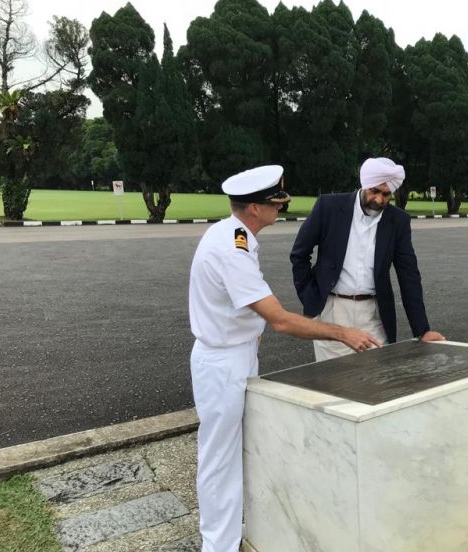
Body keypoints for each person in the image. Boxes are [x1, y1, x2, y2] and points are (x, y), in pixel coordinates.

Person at [188, 165, 380, 552]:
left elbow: (241, 308)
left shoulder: (236, 235)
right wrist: (343, 332)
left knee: (233, 453)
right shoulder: (232, 248)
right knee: (219, 459)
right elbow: (280, 320)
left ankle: (230, 535)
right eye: (276, 203)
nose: (282, 208)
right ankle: (217, 546)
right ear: (255, 209)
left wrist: (249, 334)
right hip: (222, 364)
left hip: (234, 354)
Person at [290, 157, 445, 361]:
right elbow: (300, 254)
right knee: (334, 383)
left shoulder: (397, 221)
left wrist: (422, 330)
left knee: (376, 384)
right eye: (375, 191)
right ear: (364, 184)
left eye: (386, 194)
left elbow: (408, 275)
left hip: (374, 315)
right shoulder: (329, 208)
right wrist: (310, 298)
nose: (379, 200)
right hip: (333, 312)